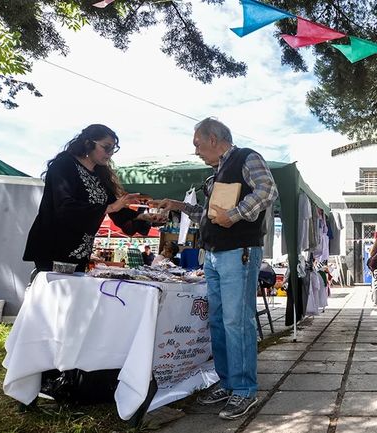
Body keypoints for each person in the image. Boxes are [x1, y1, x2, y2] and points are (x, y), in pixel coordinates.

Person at [154, 117, 278, 420]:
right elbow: (207, 216)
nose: (196, 151)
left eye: (197, 144)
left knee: (237, 321)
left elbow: (267, 191)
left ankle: (245, 390)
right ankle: (228, 382)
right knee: (219, 321)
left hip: (239, 252)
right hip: (213, 254)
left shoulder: (246, 157)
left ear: (213, 139)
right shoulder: (215, 175)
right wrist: (178, 205)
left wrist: (235, 214)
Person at [23, 124, 161, 273]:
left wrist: (141, 216)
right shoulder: (64, 165)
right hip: (54, 245)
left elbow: (114, 209)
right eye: (106, 147)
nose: (110, 153)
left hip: (81, 250)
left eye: (113, 149)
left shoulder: (100, 174)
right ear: (88, 143)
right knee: (55, 286)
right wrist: (111, 207)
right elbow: (64, 205)